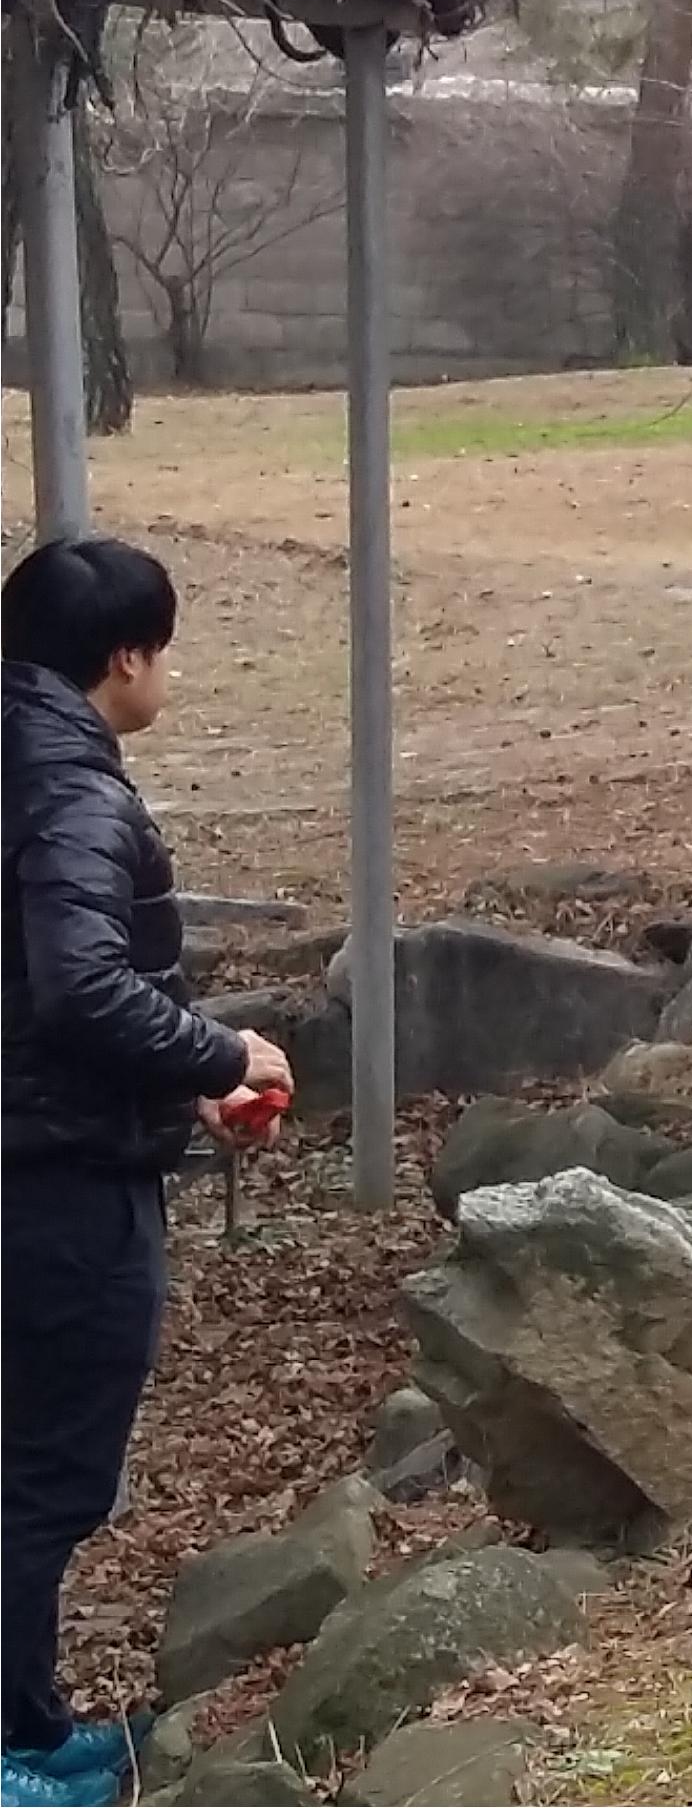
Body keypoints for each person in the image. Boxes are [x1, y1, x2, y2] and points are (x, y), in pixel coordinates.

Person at [3, 535, 290, 1808]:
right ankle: (13, 1755)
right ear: (126, 656)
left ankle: (29, 1719)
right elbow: (79, 988)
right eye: (161, 651)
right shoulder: (70, 786)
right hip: (51, 1181)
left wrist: (188, 1078)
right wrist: (223, 1048)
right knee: (43, 1474)